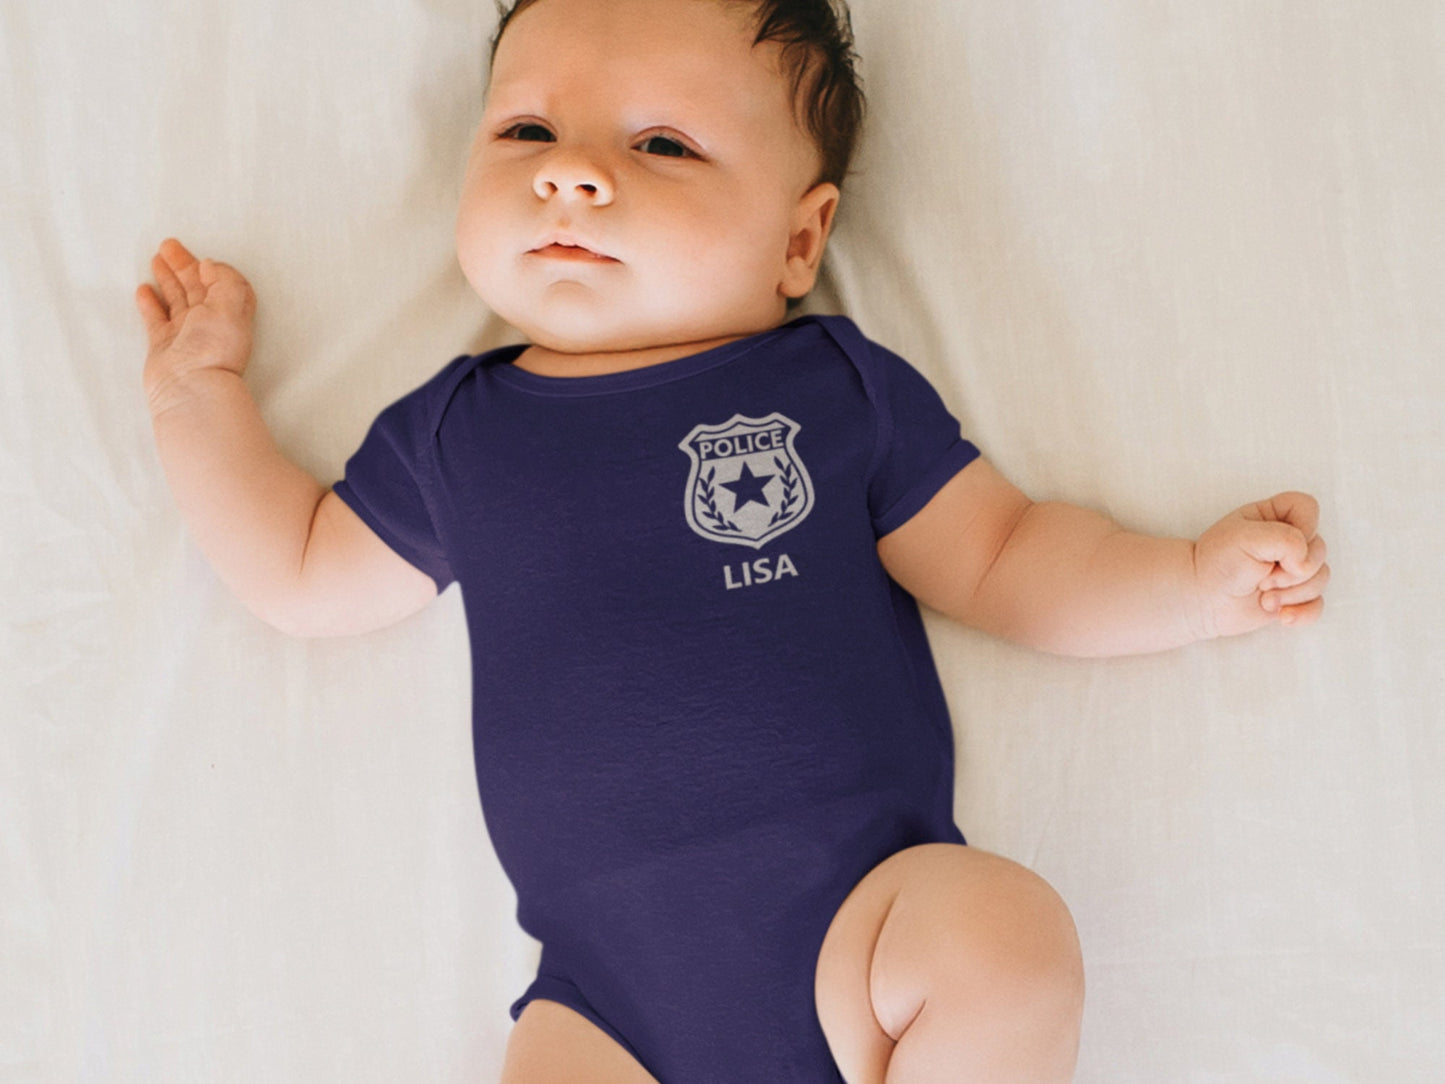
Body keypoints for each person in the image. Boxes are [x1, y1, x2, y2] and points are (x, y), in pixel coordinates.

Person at [134, 0, 1330, 1080]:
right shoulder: (456, 434)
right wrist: (197, 398)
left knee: (1002, 938)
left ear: (800, 242)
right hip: (608, 1007)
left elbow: (1004, 556)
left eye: (661, 144)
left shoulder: (829, 390)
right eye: (525, 132)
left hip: (863, 932)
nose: (569, 175)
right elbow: (301, 566)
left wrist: (1185, 581)